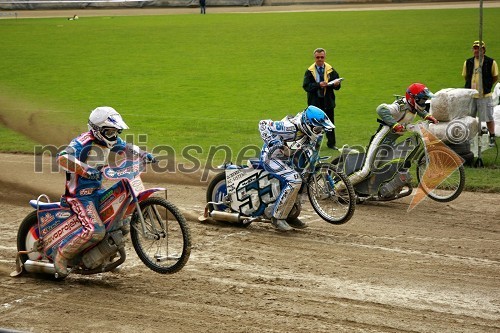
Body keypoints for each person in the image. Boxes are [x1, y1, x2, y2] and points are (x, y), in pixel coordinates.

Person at [54, 106, 155, 277]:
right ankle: (61, 256)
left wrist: (143, 154)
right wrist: (85, 170)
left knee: (120, 221)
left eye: (116, 131)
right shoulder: (81, 142)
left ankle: (105, 255)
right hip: (79, 196)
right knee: (96, 230)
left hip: (98, 191)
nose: (114, 136)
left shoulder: (112, 140)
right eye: (109, 132)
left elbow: (126, 147)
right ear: (97, 130)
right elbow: (62, 158)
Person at [341, 83, 438, 188]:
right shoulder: (399, 106)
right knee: (366, 172)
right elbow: (381, 109)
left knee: (391, 166)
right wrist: (394, 124)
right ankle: (338, 188)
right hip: (381, 139)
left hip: (391, 140)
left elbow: (419, 110)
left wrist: (427, 116)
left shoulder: (413, 105)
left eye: (424, 100)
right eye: (422, 100)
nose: (423, 102)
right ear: (412, 98)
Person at [259, 105, 334, 231]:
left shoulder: (308, 131)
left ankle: (291, 214)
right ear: (307, 124)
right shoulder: (289, 128)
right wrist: (273, 143)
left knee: (305, 177)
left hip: (288, 159)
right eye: (317, 128)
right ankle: (277, 218)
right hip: (271, 157)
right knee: (295, 180)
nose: (320, 131)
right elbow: (263, 124)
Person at [302, 48, 342, 150]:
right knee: (314, 125)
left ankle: (331, 143)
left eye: (322, 57)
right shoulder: (310, 71)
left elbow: (337, 86)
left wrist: (336, 84)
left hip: (328, 101)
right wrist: (318, 85)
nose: (320, 59)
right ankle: (314, 144)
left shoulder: (330, 70)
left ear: (325, 57)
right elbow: (306, 86)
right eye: (317, 57)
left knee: (330, 123)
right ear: (314, 58)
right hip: (315, 102)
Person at [462, 40, 498, 147]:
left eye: (479, 48)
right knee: (469, 118)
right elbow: (465, 76)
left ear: (484, 50)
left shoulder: (491, 62)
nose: (476, 50)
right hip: (471, 95)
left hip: (485, 95)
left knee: (488, 117)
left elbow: (495, 76)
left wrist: (487, 86)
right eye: (475, 48)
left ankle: (492, 136)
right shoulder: (468, 62)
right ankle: (469, 138)